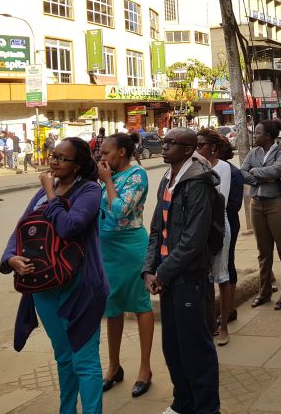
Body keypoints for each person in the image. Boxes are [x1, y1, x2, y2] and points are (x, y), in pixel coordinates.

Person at [0, 137, 108, 414]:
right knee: (63, 357)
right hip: (44, 287)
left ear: (79, 164)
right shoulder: (43, 193)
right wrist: (11, 258)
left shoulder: (89, 191)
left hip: (80, 288)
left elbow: (69, 227)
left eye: (62, 158)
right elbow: (22, 229)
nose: (53, 161)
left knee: (84, 359)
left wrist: (51, 194)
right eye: (53, 155)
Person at [142, 128, 219, 414]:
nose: (164, 146)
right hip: (167, 276)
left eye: (172, 143)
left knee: (195, 349)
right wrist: (149, 269)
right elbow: (155, 229)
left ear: (188, 150)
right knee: (173, 348)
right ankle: (183, 403)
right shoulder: (168, 178)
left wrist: (163, 274)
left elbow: (193, 239)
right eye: (165, 142)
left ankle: (207, 408)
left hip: (188, 277)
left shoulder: (198, 182)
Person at [97, 132, 153, 398]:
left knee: (141, 305)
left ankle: (145, 369)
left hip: (131, 247)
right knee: (113, 306)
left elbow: (120, 210)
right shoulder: (105, 175)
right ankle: (114, 366)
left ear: (121, 152)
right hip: (107, 250)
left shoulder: (137, 175)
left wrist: (107, 181)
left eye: (106, 152)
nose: (102, 157)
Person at [241, 120, 281, 310]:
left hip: (277, 203)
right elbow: (242, 171)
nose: (254, 136)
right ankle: (264, 291)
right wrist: (261, 179)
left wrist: (256, 172)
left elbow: (278, 170)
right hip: (257, 203)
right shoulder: (253, 152)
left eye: (257, 133)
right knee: (263, 251)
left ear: (268, 136)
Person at [195, 129, 233, 346]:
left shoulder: (223, 167)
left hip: (217, 224)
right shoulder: (193, 166)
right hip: (199, 227)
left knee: (221, 274)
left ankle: (224, 325)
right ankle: (210, 323)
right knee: (206, 276)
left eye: (201, 146)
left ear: (214, 149)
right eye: (196, 145)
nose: (197, 150)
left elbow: (221, 200)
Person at [219, 140, 243, 326]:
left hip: (227, 223)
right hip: (211, 224)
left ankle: (228, 309)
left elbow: (234, 205)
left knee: (227, 263)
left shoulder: (232, 173)